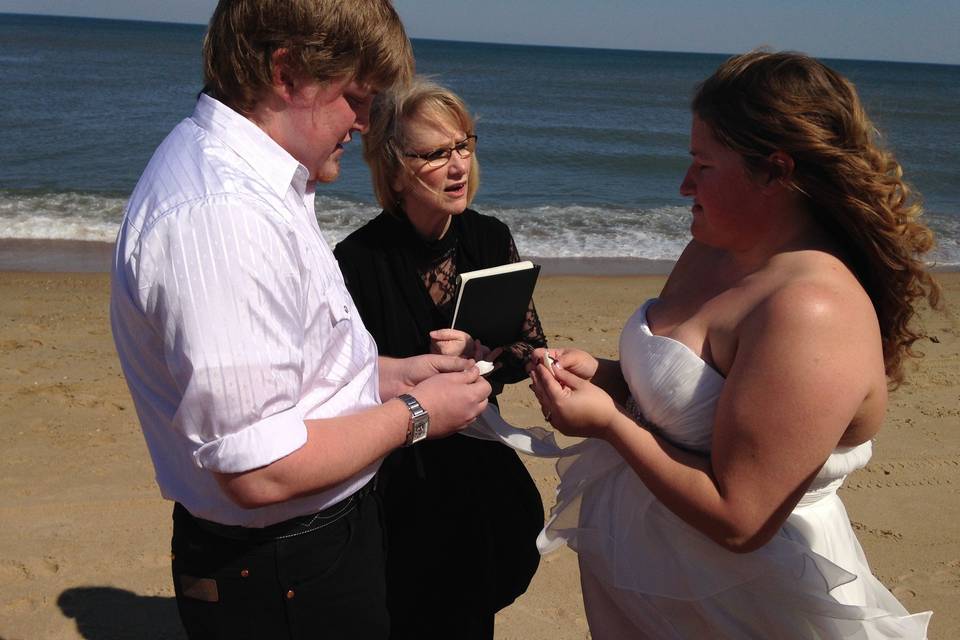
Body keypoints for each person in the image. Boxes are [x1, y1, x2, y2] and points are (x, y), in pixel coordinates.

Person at [109, 2, 491, 638]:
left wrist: (389, 374)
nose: (368, 124)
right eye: (355, 98)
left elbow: (289, 365)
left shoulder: (260, 184)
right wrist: (418, 415)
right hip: (285, 561)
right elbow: (259, 469)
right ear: (287, 73)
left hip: (304, 548)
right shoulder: (222, 213)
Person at [529, 50, 938, 639]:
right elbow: (694, 393)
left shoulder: (811, 310)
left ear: (774, 171)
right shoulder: (712, 247)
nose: (683, 184)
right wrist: (610, 377)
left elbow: (743, 520)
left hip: (747, 601)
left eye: (703, 165)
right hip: (649, 571)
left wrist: (611, 425)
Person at [333, 77, 546, 639]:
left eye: (463, 146)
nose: (458, 167)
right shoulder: (356, 260)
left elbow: (529, 348)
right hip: (396, 477)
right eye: (435, 154)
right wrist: (414, 371)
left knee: (472, 615)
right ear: (396, 167)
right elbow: (341, 381)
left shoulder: (490, 237)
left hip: (478, 469)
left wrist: (484, 359)